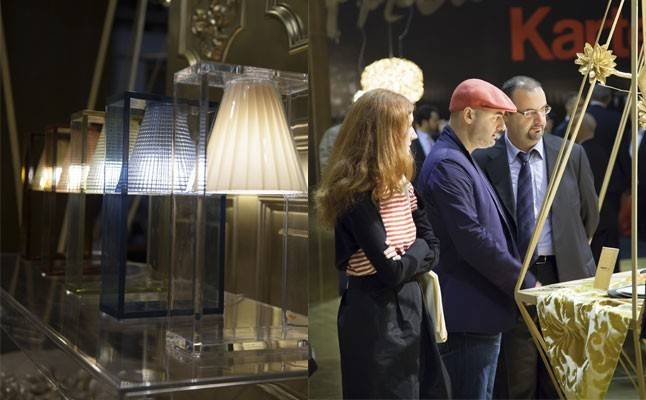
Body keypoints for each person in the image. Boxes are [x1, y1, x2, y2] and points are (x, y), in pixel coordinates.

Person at [316, 88, 450, 399]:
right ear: (384, 133)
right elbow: (393, 270)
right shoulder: (355, 195)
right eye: (407, 126)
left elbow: (433, 245)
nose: (413, 135)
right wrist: (418, 251)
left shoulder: (400, 184)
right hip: (376, 314)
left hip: (410, 304)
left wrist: (411, 255)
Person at [473, 76, 599, 399]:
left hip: (565, 279)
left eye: (543, 110)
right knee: (517, 381)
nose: (540, 120)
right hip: (512, 281)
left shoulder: (570, 154)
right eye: (529, 112)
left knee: (563, 381)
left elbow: (589, 217)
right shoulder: (483, 160)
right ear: (507, 115)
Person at [417, 78, 537, 400]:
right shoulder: (448, 163)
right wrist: (523, 281)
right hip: (467, 314)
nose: (502, 126)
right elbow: (472, 239)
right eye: (496, 116)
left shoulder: (460, 157)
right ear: (469, 115)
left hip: (477, 310)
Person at [411, 103, 441, 186]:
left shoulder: (436, 138)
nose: (438, 123)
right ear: (425, 122)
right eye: (435, 120)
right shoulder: (412, 140)